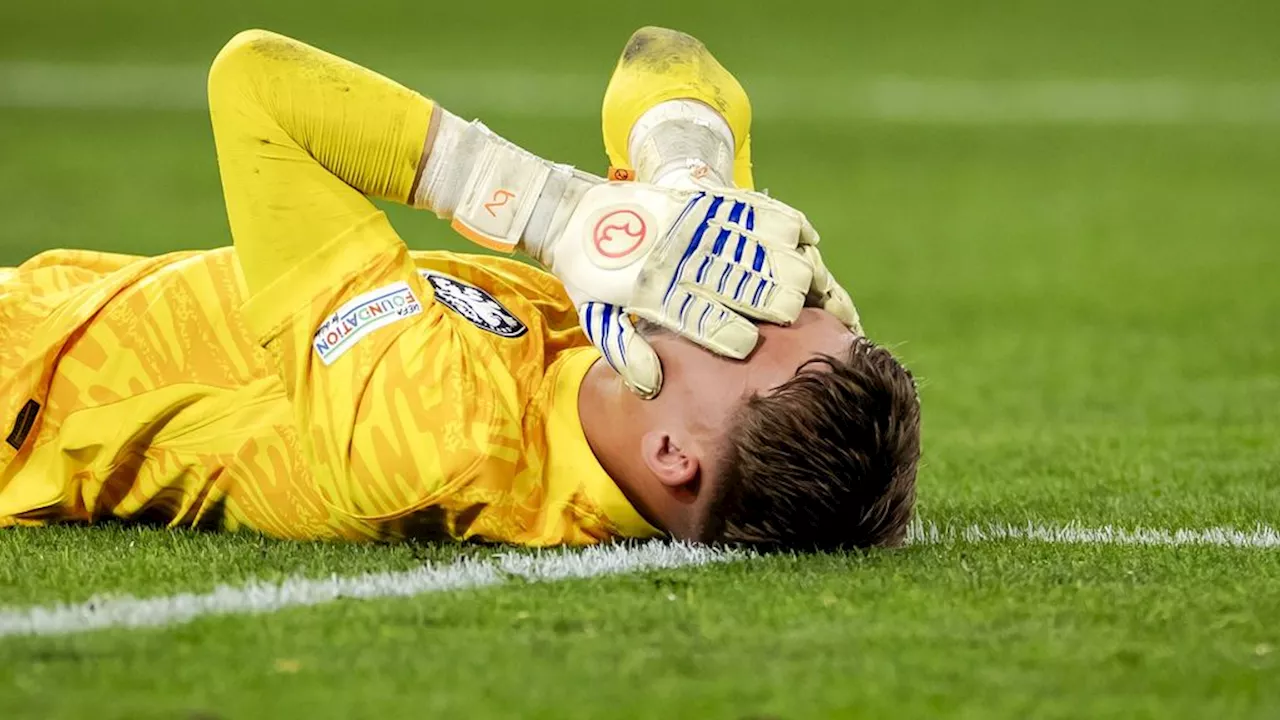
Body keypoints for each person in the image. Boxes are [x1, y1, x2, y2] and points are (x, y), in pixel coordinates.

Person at [0, 27, 920, 549]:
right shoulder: (644, 357)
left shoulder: (439, 437)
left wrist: (560, 213)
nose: (749, 297)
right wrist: (695, 187)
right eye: (802, 304)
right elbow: (667, 60)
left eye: (752, 334)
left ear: (677, 455)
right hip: (53, 298)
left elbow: (255, 85)